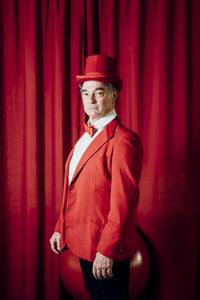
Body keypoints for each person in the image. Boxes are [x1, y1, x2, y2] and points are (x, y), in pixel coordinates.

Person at [50, 54, 143, 300]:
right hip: (82, 244)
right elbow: (74, 189)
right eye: (85, 93)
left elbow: (124, 203)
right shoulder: (84, 138)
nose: (90, 100)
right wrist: (61, 228)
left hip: (104, 249)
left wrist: (107, 250)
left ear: (114, 96)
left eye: (99, 92)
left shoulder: (124, 141)